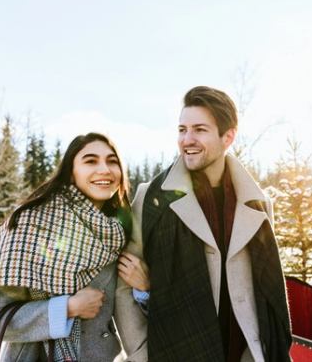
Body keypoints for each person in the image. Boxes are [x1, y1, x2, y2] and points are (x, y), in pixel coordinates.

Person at [116, 86, 291, 362]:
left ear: (228, 136)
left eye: (199, 129)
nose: (187, 139)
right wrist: (141, 354)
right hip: (175, 352)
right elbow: (124, 287)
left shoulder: (257, 204)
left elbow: (266, 289)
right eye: (182, 129)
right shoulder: (151, 199)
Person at [0, 132, 132, 362]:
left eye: (112, 161)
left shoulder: (118, 231)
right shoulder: (32, 224)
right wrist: (66, 308)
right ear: (71, 173)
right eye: (90, 161)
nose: (105, 169)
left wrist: (143, 287)